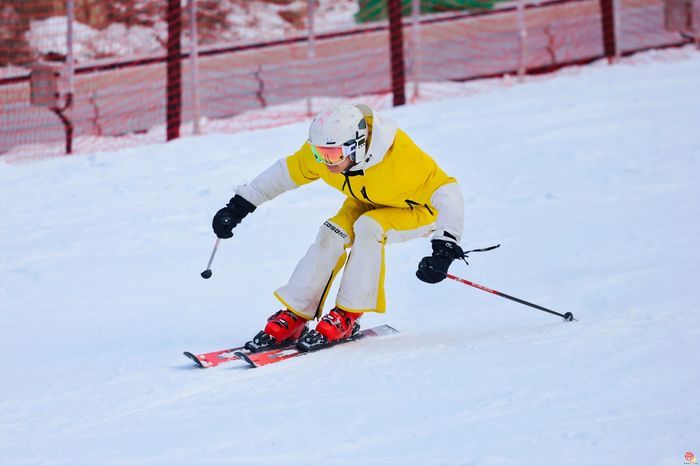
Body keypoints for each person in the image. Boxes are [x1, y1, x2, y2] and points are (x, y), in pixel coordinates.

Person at [211, 104, 465, 351]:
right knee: (331, 232)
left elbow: (447, 192)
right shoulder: (323, 156)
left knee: (369, 227)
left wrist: (444, 248)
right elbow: (283, 174)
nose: (326, 162)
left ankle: (347, 314)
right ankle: (296, 314)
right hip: (368, 199)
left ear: (357, 146)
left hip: (418, 210)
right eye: (319, 153)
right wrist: (238, 207)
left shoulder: (401, 158)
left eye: (332, 155)